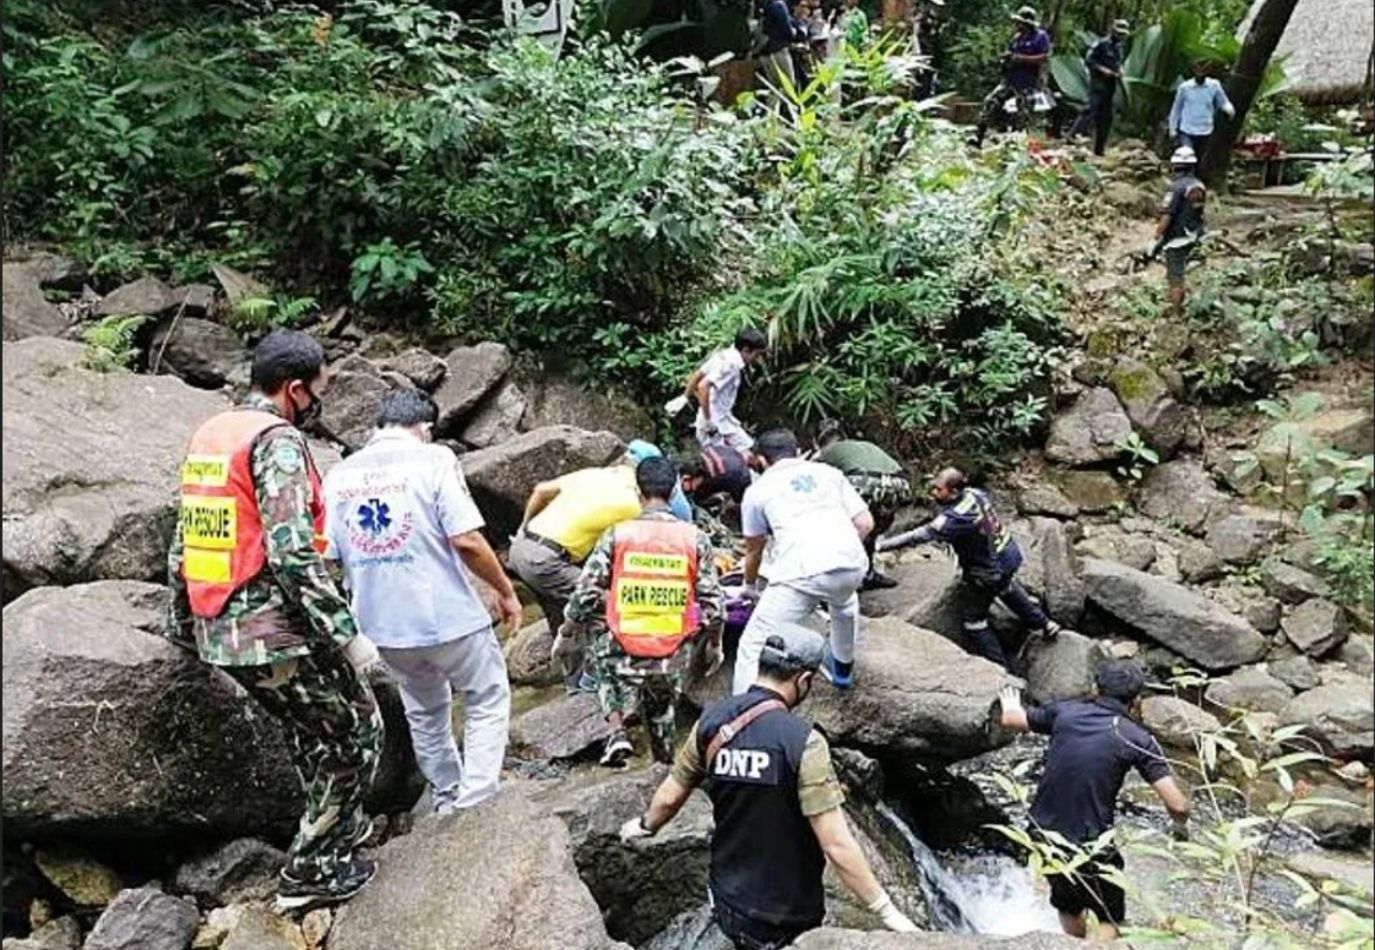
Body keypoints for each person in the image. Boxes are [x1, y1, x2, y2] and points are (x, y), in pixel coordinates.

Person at [166, 329, 382, 910]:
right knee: (357, 732)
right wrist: (348, 636)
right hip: (268, 628)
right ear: (294, 390)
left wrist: (180, 623)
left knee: (310, 729)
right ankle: (309, 871)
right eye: (320, 390)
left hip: (219, 622)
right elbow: (291, 552)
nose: (321, 402)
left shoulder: (214, 432)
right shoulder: (278, 442)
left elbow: (186, 539)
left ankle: (339, 829)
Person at [620, 624, 917, 947]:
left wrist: (645, 826)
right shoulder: (803, 742)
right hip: (787, 916)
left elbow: (670, 795)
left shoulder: (710, 723)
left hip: (727, 901)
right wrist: (886, 911)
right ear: (803, 681)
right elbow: (836, 845)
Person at [322, 390, 519, 814]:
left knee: (425, 711)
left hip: (381, 628)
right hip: (447, 617)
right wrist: (504, 590)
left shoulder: (339, 474)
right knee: (486, 696)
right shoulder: (434, 460)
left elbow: (328, 557)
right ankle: (478, 798)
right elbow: (466, 539)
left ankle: (447, 795)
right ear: (425, 430)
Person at [999, 661, 1191, 940]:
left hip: (1042, 834)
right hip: (1091, 844)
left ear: (1094, 689)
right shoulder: (1137, 739)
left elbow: (1012, 720)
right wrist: (1181, 828)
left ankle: (1075, 943)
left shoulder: (1064, 713)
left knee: (1068, 904)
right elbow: (1177, 805)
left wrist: (1009, 704)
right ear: (1137, 700)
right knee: (1109, 915)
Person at [563, 456, 726, 767]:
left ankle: (616, 729)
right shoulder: (695, 538)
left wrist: (567, 631)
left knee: (600, 647)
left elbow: (585, 592)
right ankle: (664, 766)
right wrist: (712, 641)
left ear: (639, 491)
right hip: (672, 649)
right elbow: (713, 606)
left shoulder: (617, 534)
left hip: (622, 645)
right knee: (662, 710)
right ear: (674, 490)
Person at [508, 443, 660, 691]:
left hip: (522, 549)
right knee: (611, 605)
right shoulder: (632, 503)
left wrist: (523, 529)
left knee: (564, 619)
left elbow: (540, 490)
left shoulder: (594, 475)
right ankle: (597, 677)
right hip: (547, 562)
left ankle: (575, 687)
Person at [876, 467, 1059, 671]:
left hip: (987, 572)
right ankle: (1044, 624)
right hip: (1008, 554)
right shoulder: (975, 494)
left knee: (974, 620)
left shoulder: (954, 519)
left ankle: (999, 670)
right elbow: (986, 526)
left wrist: (880, 545)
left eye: (938, 489)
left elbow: (919, 535)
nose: (933, 493)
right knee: (1006, 587)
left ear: (953, 492)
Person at [734, 428, 873, 694]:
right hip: (851, 564)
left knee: (753, 643)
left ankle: (742, 710)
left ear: (761, 460)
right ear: (797, 452)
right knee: (844, 604)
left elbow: (754, 550)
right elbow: (865, 523)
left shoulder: (758, 490)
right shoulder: (830, 474)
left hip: (801, 570)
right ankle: (842, 671)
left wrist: (750, 588)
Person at [813, 419, 912, 592]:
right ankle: (868, 574)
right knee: (870, 531)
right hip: (900, 485)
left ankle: (841, 578)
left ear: (817, 441)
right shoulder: (865, 445)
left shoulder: (825, 453)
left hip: (864, 483)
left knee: (842, 530)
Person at [971, 6, 1051, 148]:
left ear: (1028, 23)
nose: (1017, 25)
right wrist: (1006, 59)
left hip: (1027, 82)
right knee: (990, 102)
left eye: (1020, 22)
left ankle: (1016, 147)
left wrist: (1021, 58)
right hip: (1009, 79)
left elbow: (1044, 57)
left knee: (1022, 115)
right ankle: (978, 137)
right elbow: (1010, 54)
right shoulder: (1017, 38)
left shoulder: (1040, 36)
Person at [683, 327, 769, 455]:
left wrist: (684, 397)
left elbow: (697, 375)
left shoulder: (723, 355)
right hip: (713, 424)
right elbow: (703, 386)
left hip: (723, 419)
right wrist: (708, 420)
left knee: (749, 449)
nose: (757, 359)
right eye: (756, 355)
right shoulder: (731, 365)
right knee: (724, 463)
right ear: (746, 350)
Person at [1150, 146, 1208, 318]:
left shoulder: (1175, 188)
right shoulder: (1199, 185)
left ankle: (1176, 313)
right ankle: (1186, 305)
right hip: (1196, 235)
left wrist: (1155, 237)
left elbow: (1167, 216)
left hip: (1177, 238)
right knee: (1187, 272)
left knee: (1175, 277)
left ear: (1176, 166)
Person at [1067, 19, 1129, 156]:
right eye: (1118, 33)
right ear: (1113, 31)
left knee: (1106, 117)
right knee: (1089, 109)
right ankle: (1072, 136)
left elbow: (1118, 63)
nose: (1120, 36)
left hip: (1111, 86)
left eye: (1122, 34)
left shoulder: (1119, 47)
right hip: (1098, 83)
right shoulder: (1101, 44)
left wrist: (1120, 70)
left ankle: (1099, 150)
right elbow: (1089, 60)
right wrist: (1102, 70)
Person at [1168, 59, 1235, 156]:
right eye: (1198, 72)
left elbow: (1223, 101)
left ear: (1207, 73)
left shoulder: (1214, 85)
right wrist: (1172, 128)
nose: (1200, 75)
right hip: (1187, 130)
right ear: (1194, 72)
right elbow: (1176, 109)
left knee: (1199, 159)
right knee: (1187, 156)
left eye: (1203, 72)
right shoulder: (1185, 87)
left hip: (1205, 130)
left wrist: (1229, 109)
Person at [756, 0, 809, 95]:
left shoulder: (766, 5)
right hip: (778, 51)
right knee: (789, 86)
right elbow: (787, 30)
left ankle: (772, 108)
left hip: (765, 52)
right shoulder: (778, 5)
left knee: (774, 87)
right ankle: (788, 109)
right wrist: (797, 31)